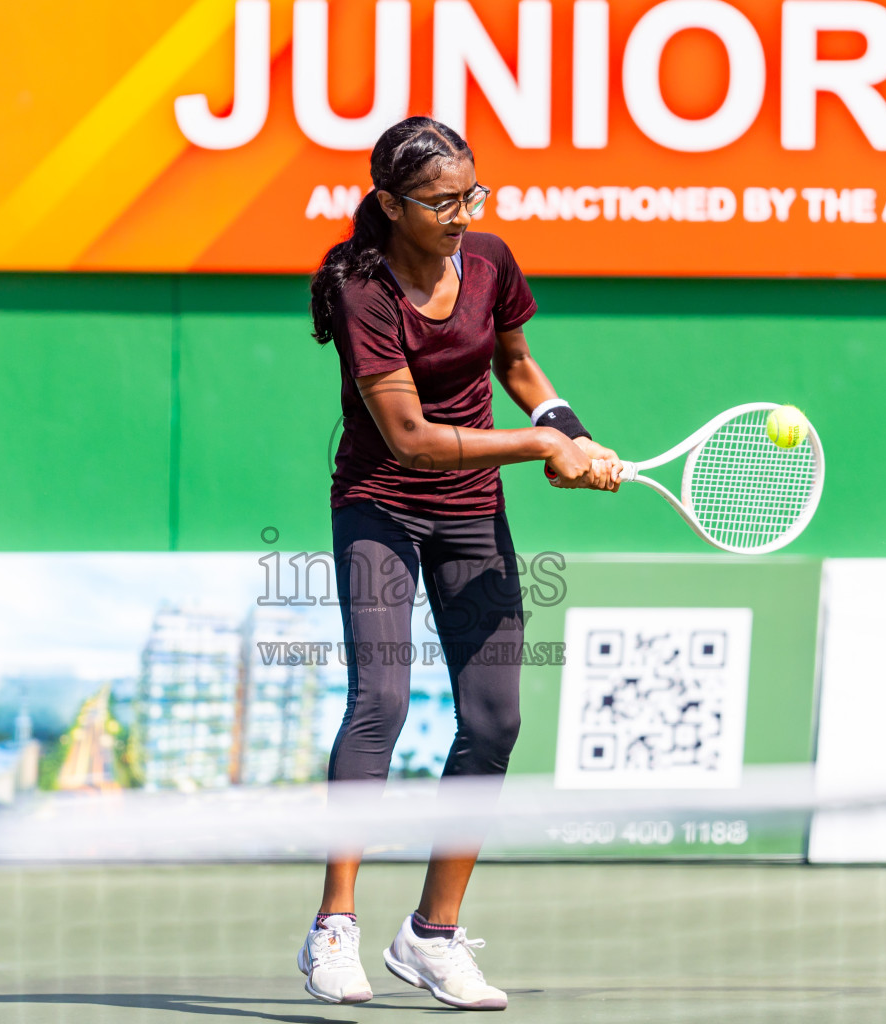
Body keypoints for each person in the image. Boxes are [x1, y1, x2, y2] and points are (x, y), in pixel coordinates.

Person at [298, 116, 621, 1011]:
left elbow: (519, 363)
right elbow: (408, 440)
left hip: (471, 516)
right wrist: (536, 448)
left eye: (470, 195)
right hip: (380, 506)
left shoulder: (490, 263)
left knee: (494, 721)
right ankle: (333, 927)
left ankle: (432, 938)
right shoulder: (360, 289)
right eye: (440, 201)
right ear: (391, 204)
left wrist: (570, 430)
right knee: (383, 702)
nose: (460, 214)